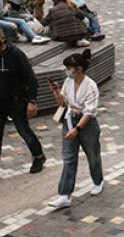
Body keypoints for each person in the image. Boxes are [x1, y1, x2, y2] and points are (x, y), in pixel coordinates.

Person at [0, 25, 47, 191]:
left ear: (2, 39)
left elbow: (30, 78)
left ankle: (38, 156)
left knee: (24, 131)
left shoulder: (16, 55)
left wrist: (32, 101)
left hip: (16, 101)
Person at [44, 49, 104, 208]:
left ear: (78, 69)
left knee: (92, 154)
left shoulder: (91, 86)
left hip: (86, 124)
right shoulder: (69, 82)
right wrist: (56, 91)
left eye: (68, 68)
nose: (66, 71)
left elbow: (89, 112)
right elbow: (63, 104)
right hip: (69, 119)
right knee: (69, 158)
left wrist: (77, 129)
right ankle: (64, 194)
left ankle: (98, 180)